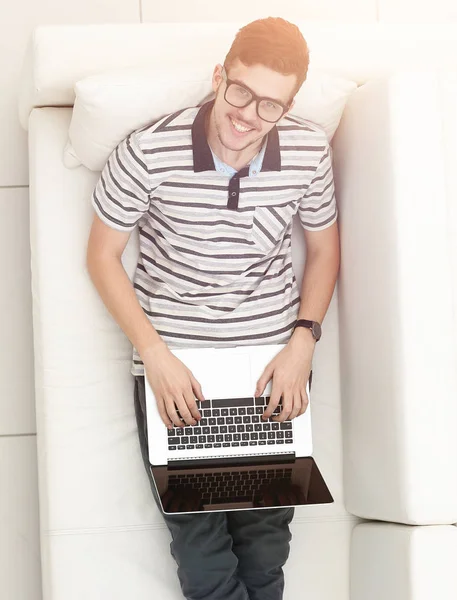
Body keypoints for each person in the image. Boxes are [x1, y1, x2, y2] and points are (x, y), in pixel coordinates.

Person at [86, 16, 340, 600]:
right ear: (220, 75)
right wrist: (155, 356)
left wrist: (303, 343)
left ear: (290, 105)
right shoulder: (147, 152)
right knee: (202, 553)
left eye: (270, 105)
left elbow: (324, 249)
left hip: (273, 368)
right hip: (180, 373)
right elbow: (102, 258)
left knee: (266, 546)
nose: (249, 115)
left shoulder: (307, 150)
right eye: (241, 91)